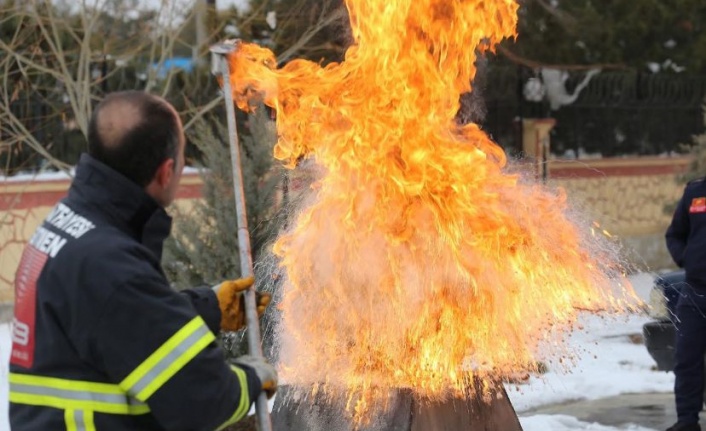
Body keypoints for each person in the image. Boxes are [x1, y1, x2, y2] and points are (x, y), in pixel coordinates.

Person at [9, 91, 277, 430]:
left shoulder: (73, 224)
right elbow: (203, 402)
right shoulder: (111, 266)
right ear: (166, 173)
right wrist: (252, 376)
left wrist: (206, 307)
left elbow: (113, 320)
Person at [666, 179, 706, 431]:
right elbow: (675, 234)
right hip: (694, 291)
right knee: (686, 359)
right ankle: (687, 421)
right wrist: (687, 260)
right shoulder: (696, 192)